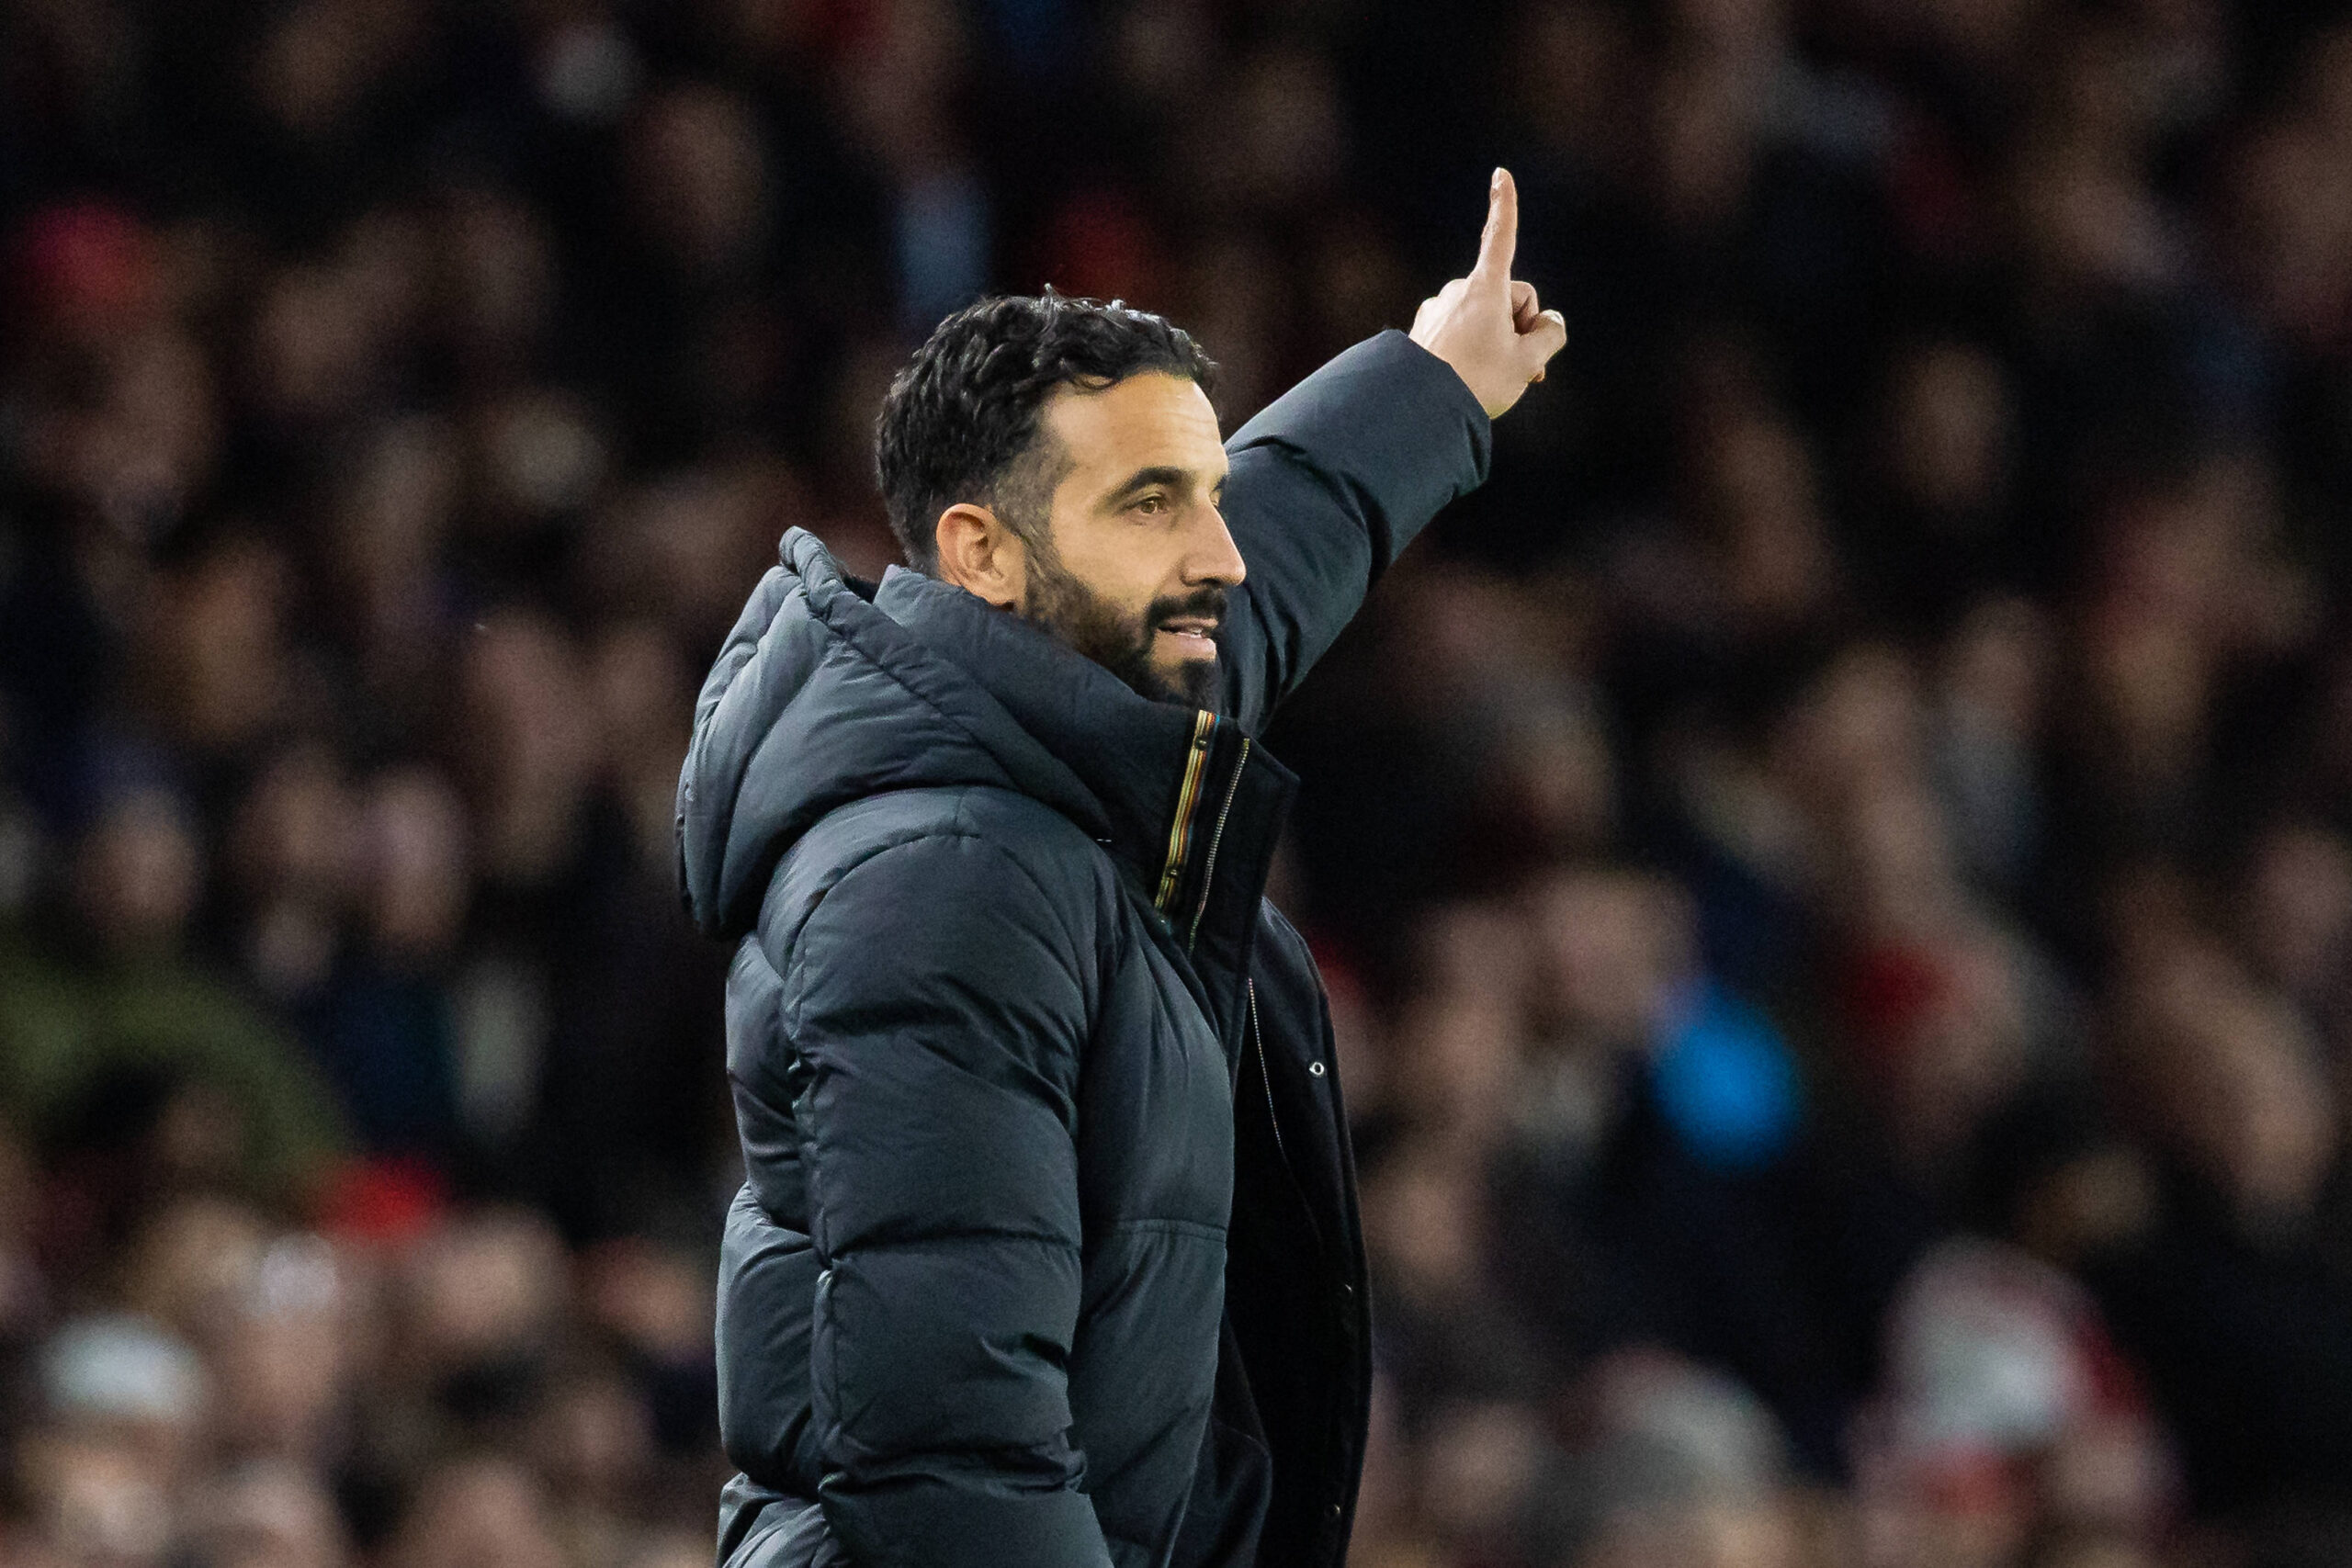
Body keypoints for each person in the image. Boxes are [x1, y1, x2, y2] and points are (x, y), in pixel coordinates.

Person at [678, 170, 1566, 1568]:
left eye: (1207, 495)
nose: (1213, 553)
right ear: (983, 554)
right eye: (1154, 504)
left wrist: (1434, 381)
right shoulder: (943, 886)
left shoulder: (1069, 719)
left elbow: (1264, 561)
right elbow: (956, 1464)